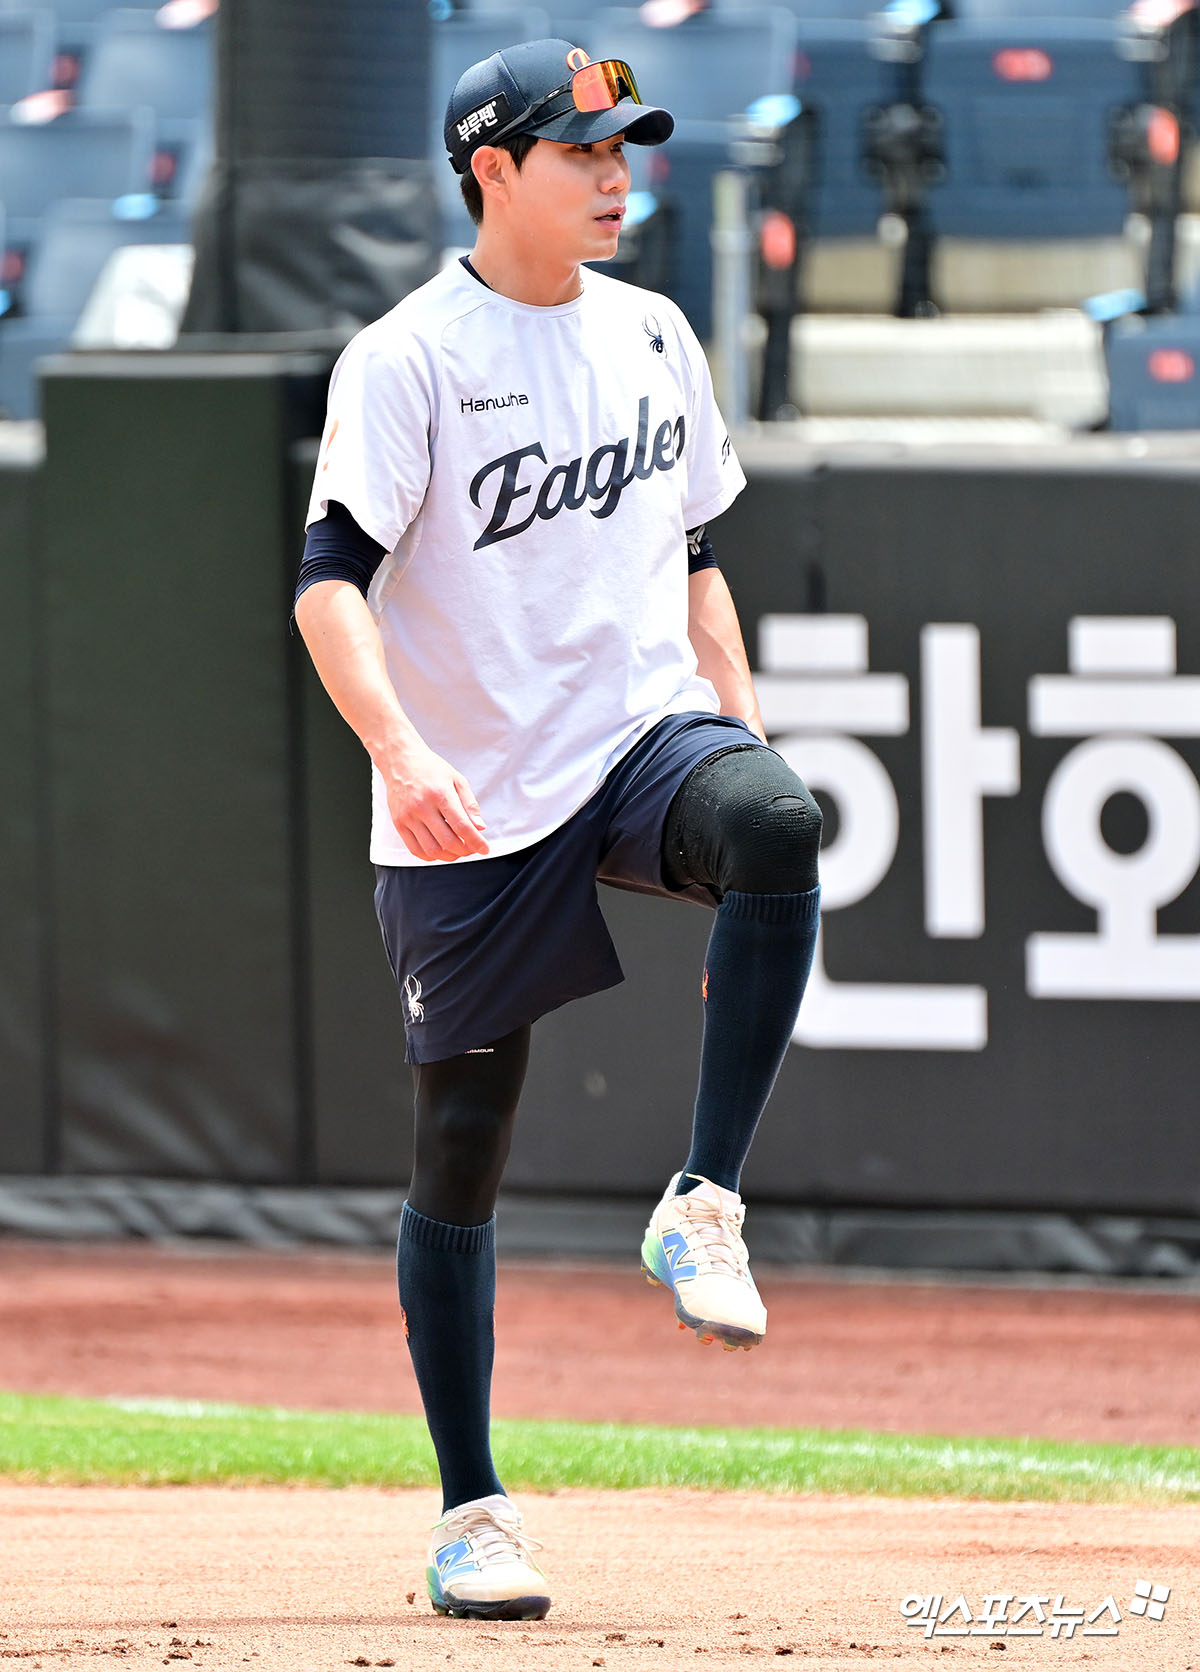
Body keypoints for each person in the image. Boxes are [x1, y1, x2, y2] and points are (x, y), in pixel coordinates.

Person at [293, 37, 822, 1624]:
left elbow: (697, 555)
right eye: (580, 150)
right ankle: (472, 1511)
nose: (614, 176)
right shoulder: (408, 358)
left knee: (777, 823)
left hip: (637, 738)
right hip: (473, 781)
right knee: (462, 1146)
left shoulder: (656, 330)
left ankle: (703, 1202)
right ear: (492, 169)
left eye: (622, 149)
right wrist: (397, 750)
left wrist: (737, 717)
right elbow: (328, 584)